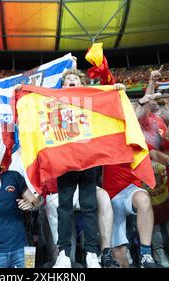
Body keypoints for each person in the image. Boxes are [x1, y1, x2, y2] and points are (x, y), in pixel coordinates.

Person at [52, 69, 125, 269]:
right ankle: (64, 253)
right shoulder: (54, 100)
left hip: (89, 159)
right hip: (65, 160)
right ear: (63, 85)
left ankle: (92, 253)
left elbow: (109, 104)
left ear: (82, 83)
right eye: (68, 79)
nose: (72, 81)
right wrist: (22, 90)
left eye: (75, 78)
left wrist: (115, 89)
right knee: (64, 208)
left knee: (89, 206)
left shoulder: (92, 99)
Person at [103, 164, 158, 268]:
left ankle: (145, 253)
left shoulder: (135, 146)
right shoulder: (102, 146)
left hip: (131, 189)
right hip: (110, 197)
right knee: (120, 259)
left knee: (143, 199)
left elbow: (153, 153)